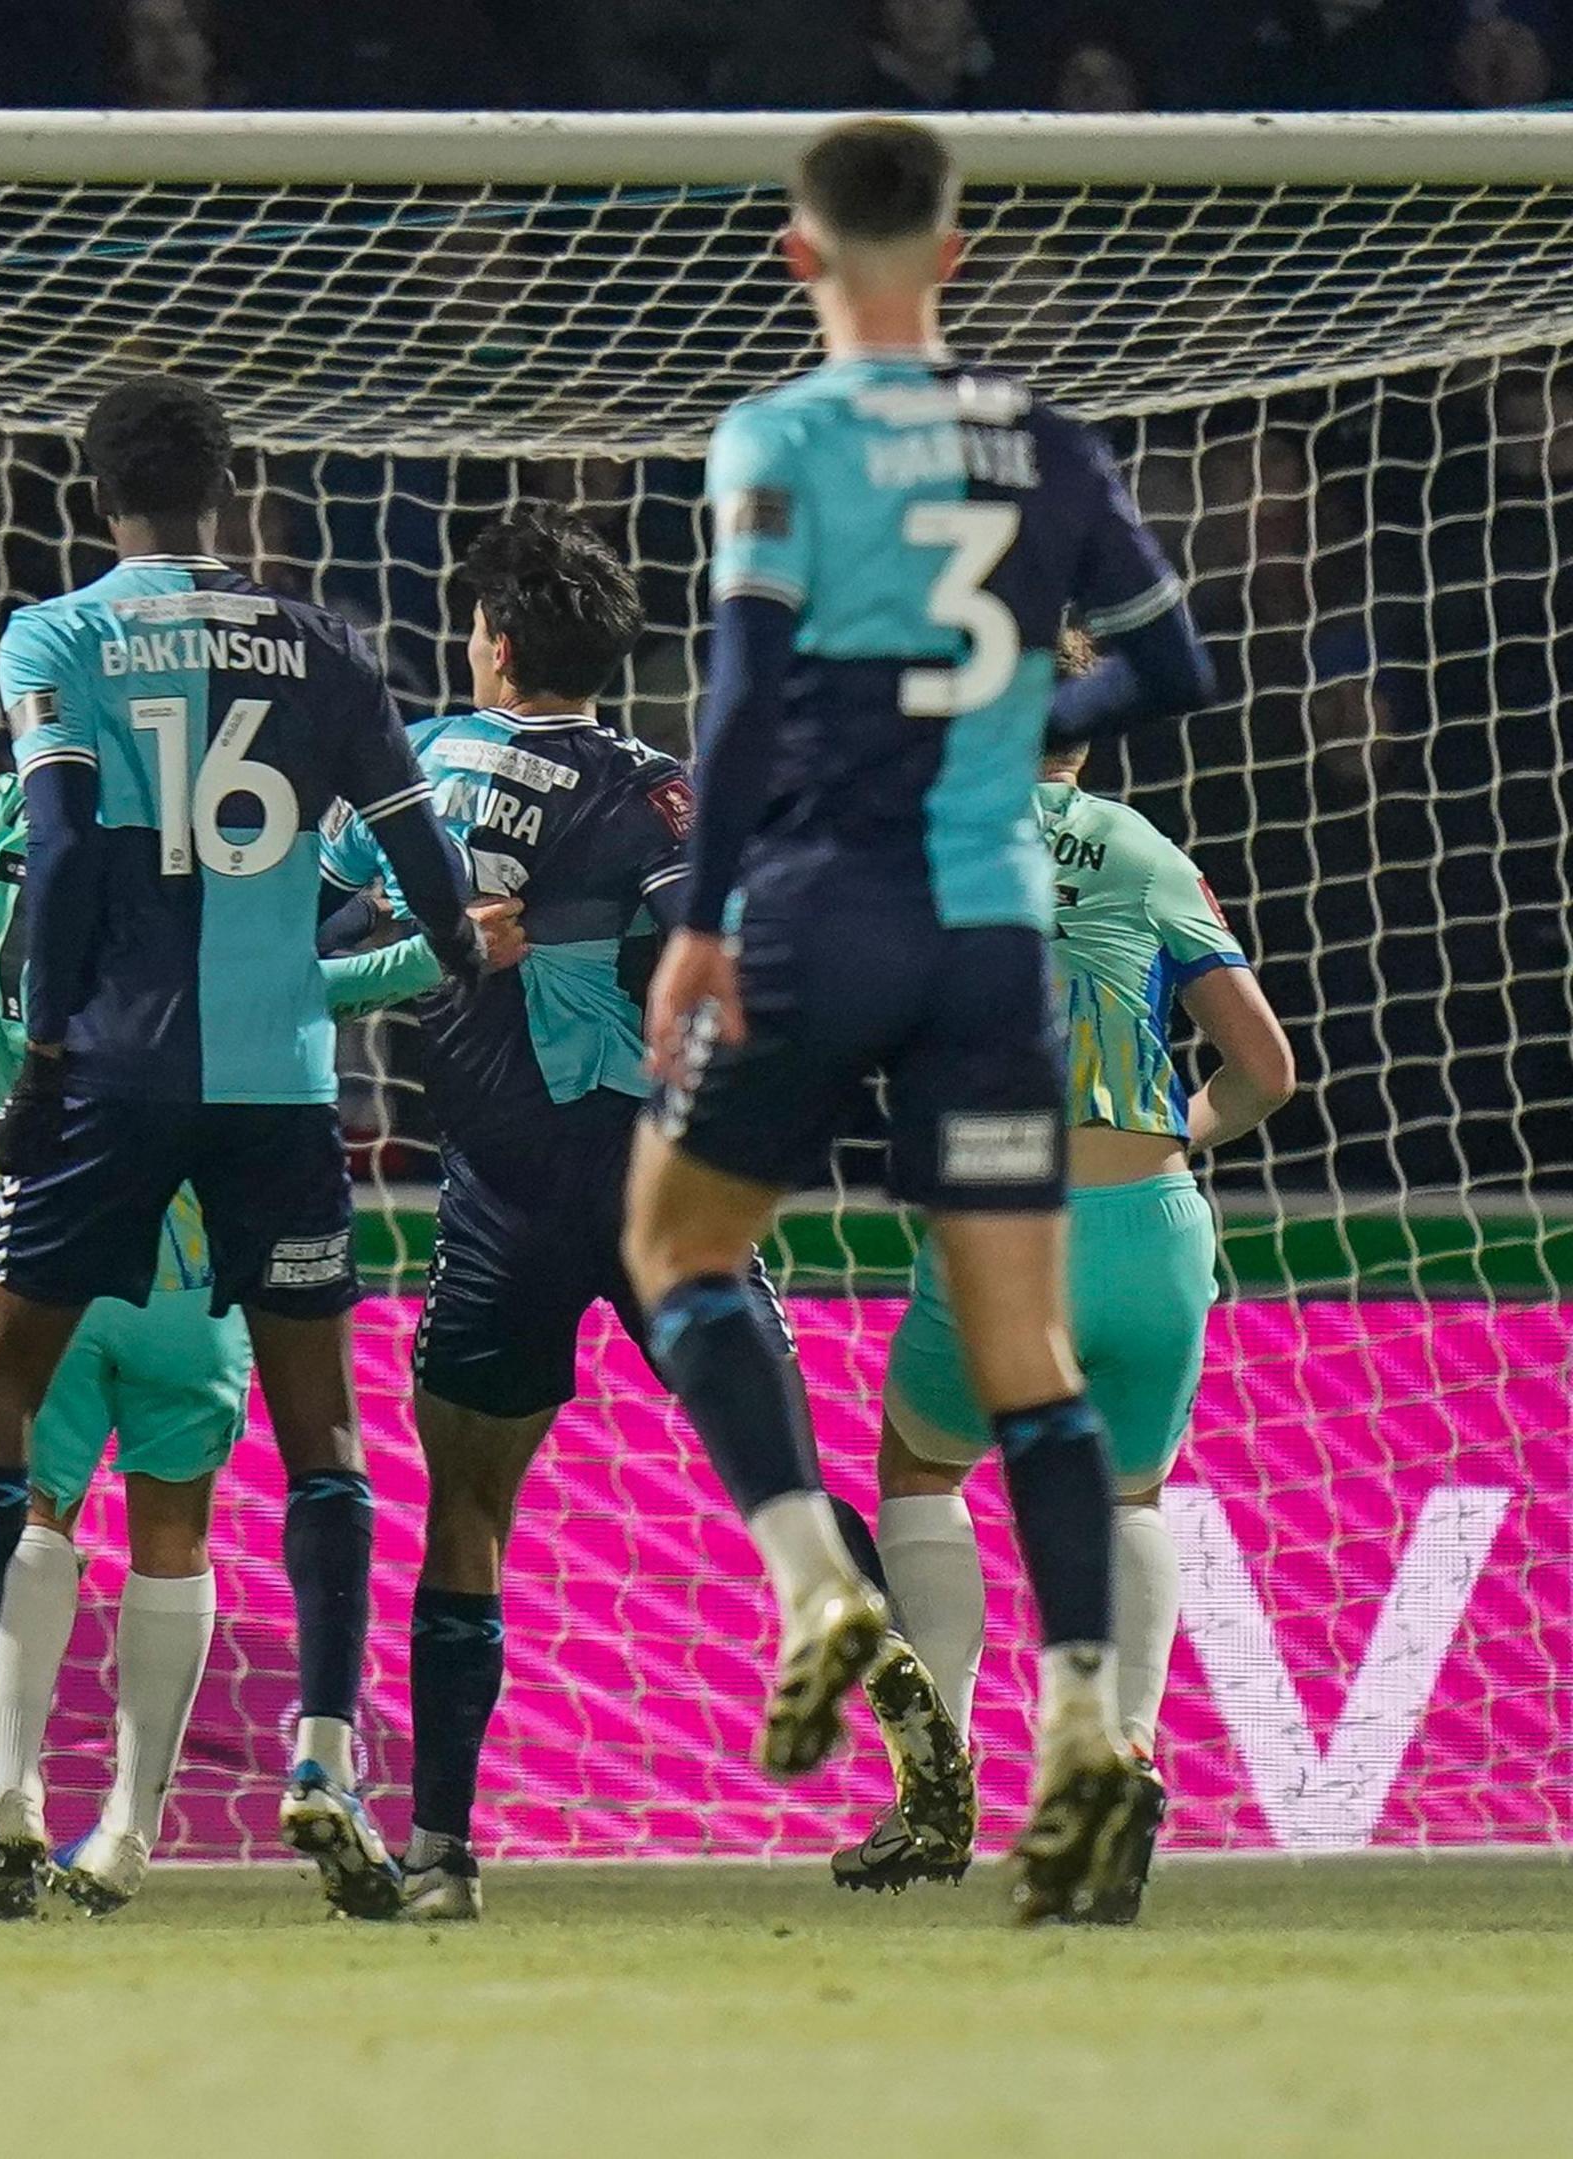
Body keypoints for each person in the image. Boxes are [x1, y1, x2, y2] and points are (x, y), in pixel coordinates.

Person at [621, 118, 1214, 1924]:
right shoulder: (1046, 440)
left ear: (802, 256)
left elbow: (735, 696)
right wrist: (1034, 701)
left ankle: (820, 1581)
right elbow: (1176, 667)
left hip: (818, 907)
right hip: (987, 944)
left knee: (675, 1240)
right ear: (955, 254)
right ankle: (1094, 1727)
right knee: (1026, 1362)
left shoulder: (781, 436)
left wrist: (703, 919)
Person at [0, 372, 489, 1922]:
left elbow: (57, 846)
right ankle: (325, 1752)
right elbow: (413, 851)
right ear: (229, 487)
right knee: (320, 1433)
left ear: (92, 491)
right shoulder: (323, 641)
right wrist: (456, 945)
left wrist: (49, 1043)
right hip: (276, 1081)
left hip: (115, 1068)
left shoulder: (58, 634)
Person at [313, 503, 976, 1923]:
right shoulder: (664, 790)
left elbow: (307, 945)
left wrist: (432, 944)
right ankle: (927, 1754)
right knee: (781, 1487)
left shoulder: (413, 771)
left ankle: (439, 1852)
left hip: (497, 1191)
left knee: (469, 1513)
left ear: (490, 640)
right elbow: (734, 959)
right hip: (662, 1185)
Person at [0, 769, 521, 1917]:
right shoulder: (239, 827)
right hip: (199, 1245)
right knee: (173, 1527)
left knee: (32, 1507)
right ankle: (129, 1828)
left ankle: (13, 1802)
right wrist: (433, 956)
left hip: (45, 1235)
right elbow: (296, 989)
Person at [833, 728, 1293, 1920]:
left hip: (1009, 1211)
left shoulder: (934, 841)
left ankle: (936, 1774)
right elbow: (1269, 1068)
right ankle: (1121, 1757)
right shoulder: (1145, 849)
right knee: (1131, 1494)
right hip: (1154, 1222)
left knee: (925, 1465)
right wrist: (1180, 1130)